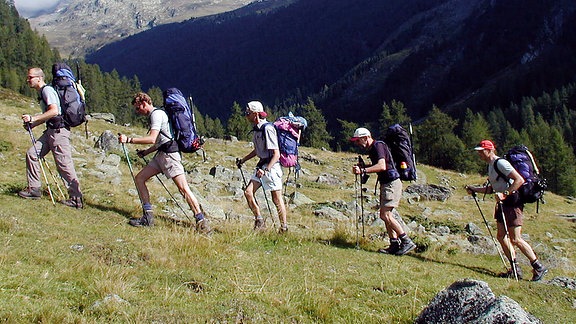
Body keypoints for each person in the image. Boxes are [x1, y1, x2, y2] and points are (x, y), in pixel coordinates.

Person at [118, 92, 210, 232]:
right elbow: (161, 140)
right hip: (162, 154)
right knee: (140, 178)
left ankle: (202, 222)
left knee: (183, 188)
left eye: (138, 108)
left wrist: (129, 140)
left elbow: (152, 138)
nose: (138, 112)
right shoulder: (158, 114)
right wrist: (146, 152)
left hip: (169, 156)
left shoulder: (156, 115)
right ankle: (148, 217)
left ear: (143, 103)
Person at [465, 140, 547, 281]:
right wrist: (475, 189)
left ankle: (538, 267)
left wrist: (505, 194)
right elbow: (492, 188)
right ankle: (515, 269)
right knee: (501, 236)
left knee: (515, 239)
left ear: (489, 150)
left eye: (481, 151)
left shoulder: (500, 163)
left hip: (513, 202)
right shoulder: (491, 166)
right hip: (503, 204)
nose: (479, 154)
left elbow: (519, 180)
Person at [19, 67, 83, 208]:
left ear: (39, 78)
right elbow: (51, 113)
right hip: (51, 131)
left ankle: (76, 199)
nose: (28, 80)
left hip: (58, 132)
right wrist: (34, 123)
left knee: (64, 165)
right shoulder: (43, 91)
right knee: (32, 154)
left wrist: (33, 118)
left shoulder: (47, 90)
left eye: (30, 77)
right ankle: (34, 189)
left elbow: (54, 111)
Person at [350, 127, 416, 255]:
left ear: (366, 137)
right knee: (386, 215)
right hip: (387, 183)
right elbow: (382, 165)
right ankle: (394, 244)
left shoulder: (377, 146)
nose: (357, 143)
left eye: (358, 141)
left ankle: (406, 241)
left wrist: (363, 170)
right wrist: (364, 167)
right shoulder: (376, 147)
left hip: (391, 184)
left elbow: (382, 166)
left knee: (385, 215)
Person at [237, 101, 288, 233]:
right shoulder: (256, 129)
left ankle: (284, 227)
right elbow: (257, 150)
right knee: (248, 192)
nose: (246, 115)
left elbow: (276, 154)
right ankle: (259, 220)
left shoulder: (267, 129)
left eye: (247, 113)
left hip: (271, 167)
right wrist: (243, 160)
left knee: (276, 198)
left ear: (255, 114)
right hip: (262, 166)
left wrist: (265, 170)